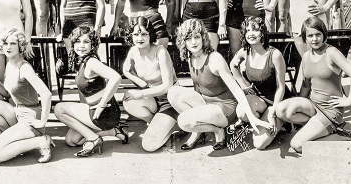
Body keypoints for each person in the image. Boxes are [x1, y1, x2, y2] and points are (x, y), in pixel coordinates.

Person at [167, 18, 268, 151]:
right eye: (188, 38)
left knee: (184, 121)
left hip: (225, 107)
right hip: (206, 103)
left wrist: (250, 117)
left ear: (203, 38)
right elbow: (197, 87)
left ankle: (218, 130)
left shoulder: (215, 59)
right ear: (183, 41)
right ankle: (198, 131)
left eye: (197, 37)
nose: (193, 42)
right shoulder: (191, 56)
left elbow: (236, 90)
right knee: (173, 93)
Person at [274, 16, 351, 154]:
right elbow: (306, 86)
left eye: (318, 34)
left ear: (324, 35)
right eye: (310, 36)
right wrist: (299, 105)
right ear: (305, 38)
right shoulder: (306, 56)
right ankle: (315, 129)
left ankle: (339, 136)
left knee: (296, 145)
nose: (314, 39)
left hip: (330, 110)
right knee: (281, 110)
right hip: (313, 106)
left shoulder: (331, 52)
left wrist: (349, 100)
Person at [53, 24, 129, 156]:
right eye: (78, 41)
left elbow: (116, 77)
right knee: (71, 141)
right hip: (98, 114)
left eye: (86, 41)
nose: (81, 45)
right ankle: (114, 131)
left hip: (103, 112)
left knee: (59, 108)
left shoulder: (91, 62)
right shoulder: (82, 60)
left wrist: (101, 105)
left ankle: (94, 139)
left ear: (93, 44)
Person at [0, 29, 53, 163]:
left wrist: (42, 122)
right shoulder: (10, 64)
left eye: (13, 44)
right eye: (5, 43)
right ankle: (19, 140)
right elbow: (6, 95)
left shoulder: (24, 68)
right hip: (18, 113)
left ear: (20, 46)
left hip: (30, 118)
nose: (8, 47)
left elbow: (46, 94)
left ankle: (40, 141)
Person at [120, 15, 177, 152]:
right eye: (136, 34)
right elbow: (125, 69)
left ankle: (174, 125)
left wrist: (140, 92)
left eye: (144, 34)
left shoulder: (160, 52)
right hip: (152, 98)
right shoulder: (134, 51)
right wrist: (140, 82)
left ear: (150, 35)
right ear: (131, 35)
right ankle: (155, 124)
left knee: (148, 146)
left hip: (169, 101)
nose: (140, 38)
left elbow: (167, 86)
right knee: (128, 100)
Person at [229, 16, 287, 150]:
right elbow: (233, 66)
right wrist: (243, 86)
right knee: (242, 113)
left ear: (262, 33)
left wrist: (273, 112)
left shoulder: (275, 54)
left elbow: (281, 87)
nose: (251, 34)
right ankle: (259, 119)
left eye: (255, 30)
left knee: (259, 145)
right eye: (247, 31)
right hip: (258, 99)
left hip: (275, 101)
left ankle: (280, 122)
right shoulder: (245, 51)